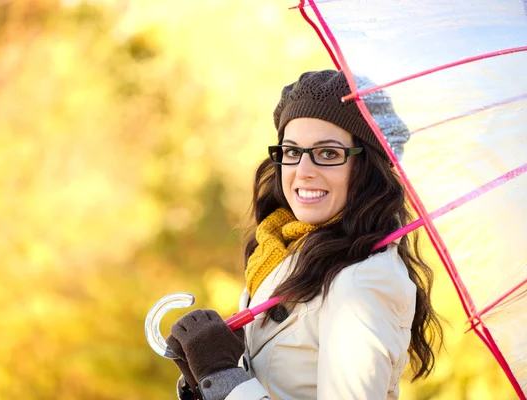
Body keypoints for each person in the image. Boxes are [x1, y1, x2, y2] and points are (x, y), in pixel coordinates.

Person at [166, 69, 442, 400]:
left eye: (328, 154)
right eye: (292, 152)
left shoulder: (362, 282)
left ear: (366, 167)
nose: (303, 172)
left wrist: (223, 376)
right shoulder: (283, 252)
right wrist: (202, 377)